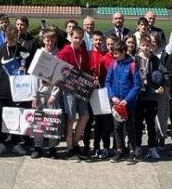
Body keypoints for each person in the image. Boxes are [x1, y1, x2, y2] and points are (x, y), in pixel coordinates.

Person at [0, 25, 35, 156]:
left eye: (14, 38)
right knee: (2, 118)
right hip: (2, 90)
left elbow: (29, 72)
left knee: (17, 117)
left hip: (18, 92)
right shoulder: (0, 51)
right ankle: (3, 142)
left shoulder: (24, 52)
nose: (11, 41)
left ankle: (15, 142)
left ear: (17, 37)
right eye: (9, 39)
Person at [56, 26, 94, 160]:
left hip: (82, 89)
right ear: (71, 37)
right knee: (71, 118)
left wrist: (91, 79)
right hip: (69, 90)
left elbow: (87, 69)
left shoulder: (82, 51)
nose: (78, 40)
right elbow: (57, 70)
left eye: (80, 38)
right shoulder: (65, 51)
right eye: (75, 37)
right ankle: (69, 147)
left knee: (85, 116)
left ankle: (76, 143)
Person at [106, 41, 141, 164]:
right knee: (117, 128)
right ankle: (119, 150)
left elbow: (137, 85)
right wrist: (112, 96)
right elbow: (108, 81)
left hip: (128, 103)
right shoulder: (113, 64)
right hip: (116, 103)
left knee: (130, 127)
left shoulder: (132, 65)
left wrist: (127, 100)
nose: (114, 56)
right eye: (113, 53)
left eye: (116, 54)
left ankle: (132, 152)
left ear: (123, 52)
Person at [30, 29, 62, 159]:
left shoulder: (58, 54)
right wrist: (34, 96)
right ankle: (38, 147)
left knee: (53, 122)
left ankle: (52, 147)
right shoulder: (38, 53)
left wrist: (54, 94)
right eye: (47, 40)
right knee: (39, 122)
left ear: (55, 40)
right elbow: (33, 77)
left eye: (52, 40)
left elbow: (59, 78)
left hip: (52, 96)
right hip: (40, 94)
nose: (50, 42)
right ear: (43, 40)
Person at [133, 35, 163, 159]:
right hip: (139, 95)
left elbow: (162, 74)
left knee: (151, 123)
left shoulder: (155, 59)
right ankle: (138, 146)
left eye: (148, 45)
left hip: (151, 95)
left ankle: (152, 147)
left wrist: (161, 85)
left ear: (151, 46)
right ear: (140, 46)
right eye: (143, 45)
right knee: (138, 123)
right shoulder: (135, 60)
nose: (145, 48)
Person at [85, 30, 113, 159]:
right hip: (90, 92)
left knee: (104, 121)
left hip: (104, 91)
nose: (98, 42)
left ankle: (106, 146)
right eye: (96, 40)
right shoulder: (88, 54)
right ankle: (90, 147)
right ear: (92, 40)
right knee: (90, 120)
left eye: (100, 40)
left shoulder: (106, 55)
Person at [151, 33, 172, 149]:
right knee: (151, 116)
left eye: (154, 41)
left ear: (158, 42)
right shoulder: (145, 54)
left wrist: (163, 85)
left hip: (163, 88)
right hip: (150, 88)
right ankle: (153, 137)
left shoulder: (164, 55)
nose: (152, 44)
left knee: (162, 114)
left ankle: (161, 137)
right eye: (150, 42)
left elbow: (168, 72)